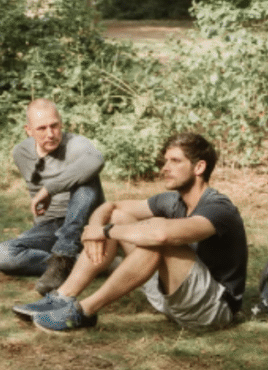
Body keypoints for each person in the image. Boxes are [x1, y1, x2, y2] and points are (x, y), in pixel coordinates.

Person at [13, 132, 247, 333]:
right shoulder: (173, 200)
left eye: (175, 161)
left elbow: (162, 235)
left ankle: (83, 312)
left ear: (199, 167)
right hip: (173, 298)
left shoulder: (218, 208)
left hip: (212, 310)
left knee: (156, 235)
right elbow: (111, 207)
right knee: (118, 217)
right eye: (165, 161)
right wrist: (95, 228)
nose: (165, 168)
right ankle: (62, 297)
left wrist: (106, 232)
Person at [0, 99, 105, 295]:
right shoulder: (22, 152)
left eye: (54, 126)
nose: (50, 134)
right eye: (42, 128)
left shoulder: (75, 144)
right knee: (2, 254)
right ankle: (85, 264)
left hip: (86, 222)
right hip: (51, 228)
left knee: (86, 181)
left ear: (61, 123)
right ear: (28, 130)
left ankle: (65, 255)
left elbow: (95, 160)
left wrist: (48, 190)